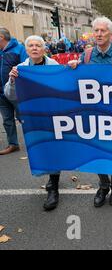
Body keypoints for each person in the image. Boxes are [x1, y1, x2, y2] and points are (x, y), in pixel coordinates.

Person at [68, 17, 112, 208]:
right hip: (94, 113)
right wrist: (73, 67)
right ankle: (103, 186)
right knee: (97, 149)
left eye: (103, 31)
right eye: (96, 31)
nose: (99, 34)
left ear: (111, 34)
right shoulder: (86, 56)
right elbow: (77, 81)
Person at [5, 35, 60, 211]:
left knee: (53, 149)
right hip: (32, 118)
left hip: (53, 116)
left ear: (44, 49)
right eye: (31, 45)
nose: (35, 48)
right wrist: (13, 80)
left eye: (38, 45)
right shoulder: (20, 69)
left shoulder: (54, 66)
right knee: (40, 148)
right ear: (26, 50)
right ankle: (50, 179)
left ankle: (54, 186)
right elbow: (10, 95)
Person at [0, 27, 28, 155]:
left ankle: (33, 142)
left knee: (24, 118)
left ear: (1, 37)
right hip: (1, 92)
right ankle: (13, 144)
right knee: (7, 119)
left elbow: (26, 68)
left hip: (17, 92)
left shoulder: (19, 49)